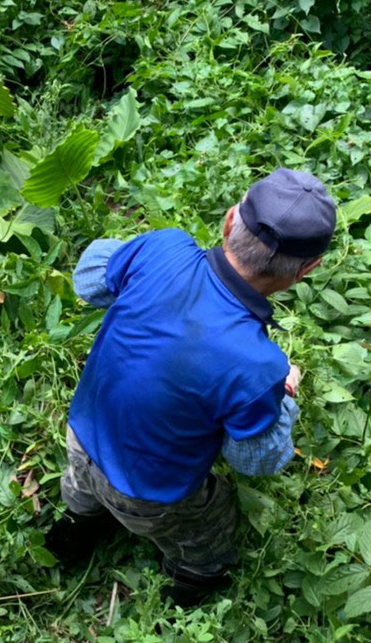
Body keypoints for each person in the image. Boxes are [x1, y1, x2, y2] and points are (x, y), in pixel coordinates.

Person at [45, 168, 336, 606]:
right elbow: (253, 460)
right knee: (209, 524)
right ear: (307, 270)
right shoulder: (260, 366)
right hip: (146, 494)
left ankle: (70, 535)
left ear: (229, 220)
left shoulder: (163, 249)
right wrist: (285, 394)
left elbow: (89, 281)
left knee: (82, 488)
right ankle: (191, 581)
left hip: (80, 439)